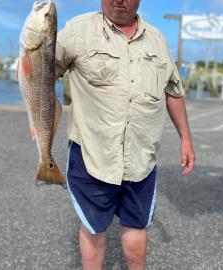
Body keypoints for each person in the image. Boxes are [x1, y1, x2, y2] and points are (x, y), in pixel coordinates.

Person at [55, 0, 195, 269]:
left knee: (136, 225)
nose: (119, 0)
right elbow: (41, 72)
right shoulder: (78, 30)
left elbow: (173, 91)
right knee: (94, 227)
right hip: (92, 154)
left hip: (141, 156)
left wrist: (186, 139)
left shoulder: (156, 39)